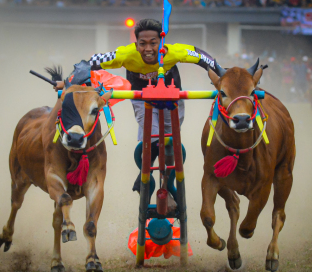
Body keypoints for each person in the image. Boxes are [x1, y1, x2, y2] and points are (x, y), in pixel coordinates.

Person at [54, 19, 222, 194]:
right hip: (142, 100)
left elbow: (202, 57)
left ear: (162, 43)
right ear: (136, 44)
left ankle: (167, 186)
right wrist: (67, 82)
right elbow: (89, 63)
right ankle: (145, 176)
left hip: (172, 98)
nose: (148, 49)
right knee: (153, 138)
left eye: (153, 43)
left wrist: (222, 75)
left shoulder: (174, 51)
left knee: (170, 142)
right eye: (142, 44)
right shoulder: (125, 54)